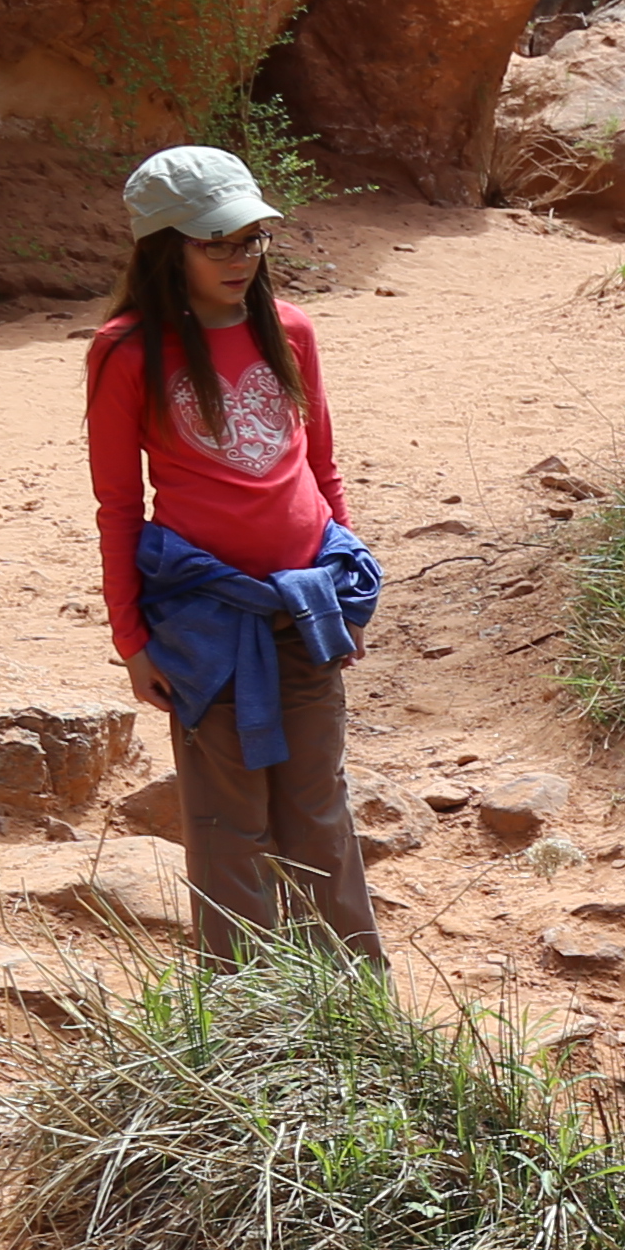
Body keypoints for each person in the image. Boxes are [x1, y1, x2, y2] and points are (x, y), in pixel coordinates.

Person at [89, 145, 386, 964]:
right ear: (165, 248)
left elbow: (321, 469)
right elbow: (120, 504)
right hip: (205, 625)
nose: (240, 258)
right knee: (228, 825)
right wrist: (132, 641)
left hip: (305, 608)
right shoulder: (126, 352)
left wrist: (346, 594)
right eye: (216, 242)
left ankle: (357, 1003)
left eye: (251, 238)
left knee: (318, 807)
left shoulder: (288, 328)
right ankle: (246, 1008)